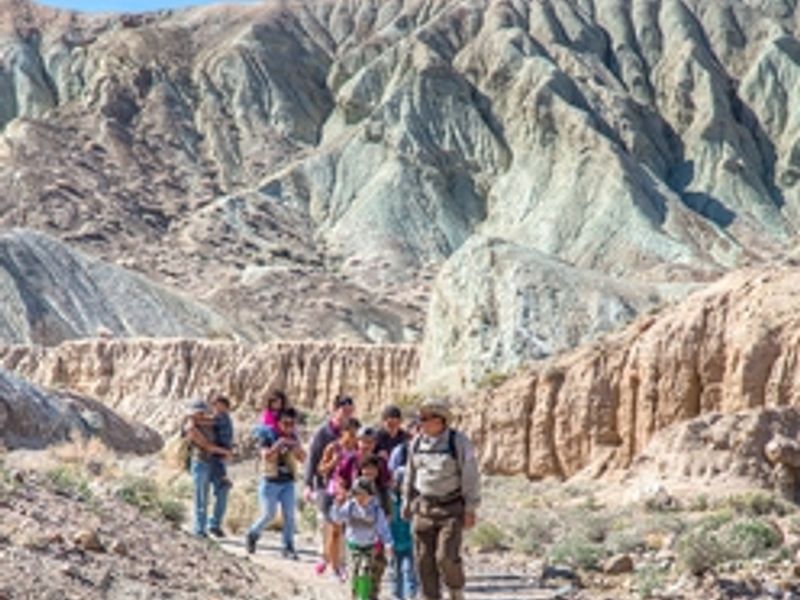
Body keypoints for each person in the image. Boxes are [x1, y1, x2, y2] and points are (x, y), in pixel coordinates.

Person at [402, 398, 480, 600]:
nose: (422, 422)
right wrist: (406, 501)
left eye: (427, 418)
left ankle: (455, 590)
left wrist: (470, 508)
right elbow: (410, 474)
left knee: (445, 557)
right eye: (421, 418)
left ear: (441, 420)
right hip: (424, 508)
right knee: (423, 560)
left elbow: (470, 475)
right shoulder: (416, 443)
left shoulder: (458, 442)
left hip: (450, 509)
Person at [246, 407, 305, 558]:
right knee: (269, 514)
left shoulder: (294, 438)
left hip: (287, 482)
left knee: (290, 516)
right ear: (278, 423)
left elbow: (303, 458)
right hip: (270, 481)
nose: (289, 427)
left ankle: (288, 547)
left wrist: (296, 448)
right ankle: (253, 533)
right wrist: (279, 444)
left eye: (292, 424)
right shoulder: (268, 436)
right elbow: (266, 456)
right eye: (286, 423)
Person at [331, 477, 394, 600]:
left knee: (364, 572)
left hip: (369, 548)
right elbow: (337, 519)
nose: (359, 498)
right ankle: (355, 595)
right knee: (355, 575)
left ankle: (364, 597)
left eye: (363, 495)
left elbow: (383, 528)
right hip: (353, 547)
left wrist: (388, 543)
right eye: (356, 494)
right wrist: (337, 506)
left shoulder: (376, 510)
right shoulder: (350, 507)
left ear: (370, 495)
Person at [317, 417, 361, 578]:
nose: (353, 438)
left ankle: (331, 559)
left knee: (343, 531)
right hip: (334, 491)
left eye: (356, 434)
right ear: (343, 432)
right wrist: (333, 462)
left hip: (352, 492)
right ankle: (335, 566)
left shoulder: (358, 450)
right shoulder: (334, 448)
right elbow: (321, 469)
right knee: (335, 529)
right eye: (351, 434)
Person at [182, 399, 233, 538]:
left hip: (215, 463)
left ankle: (214, 524)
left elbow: (217, 421)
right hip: (201, 463)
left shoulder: (206, 421)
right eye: (198, 412)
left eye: (202, 412)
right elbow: (207, 446)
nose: (201, 414)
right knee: (202, 498)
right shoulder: (190, 428)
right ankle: (199, 530)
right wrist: (226, 452)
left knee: (223, 490)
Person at [389, 464, 418, 600]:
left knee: (409, 571)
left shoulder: (416, 501)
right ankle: (397, 596)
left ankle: (411, 596)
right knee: (395, 572)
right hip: (394, 542)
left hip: (410, 541)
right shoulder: (390, 500)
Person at [208, 394, 234, 537]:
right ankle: (214, 523)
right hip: (217, 459)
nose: (215, 408)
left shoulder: (222, 418)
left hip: (217, 458)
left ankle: (213, 523)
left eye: (217, 405)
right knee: (222, 488)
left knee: (221, 489)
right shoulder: (224, 419)